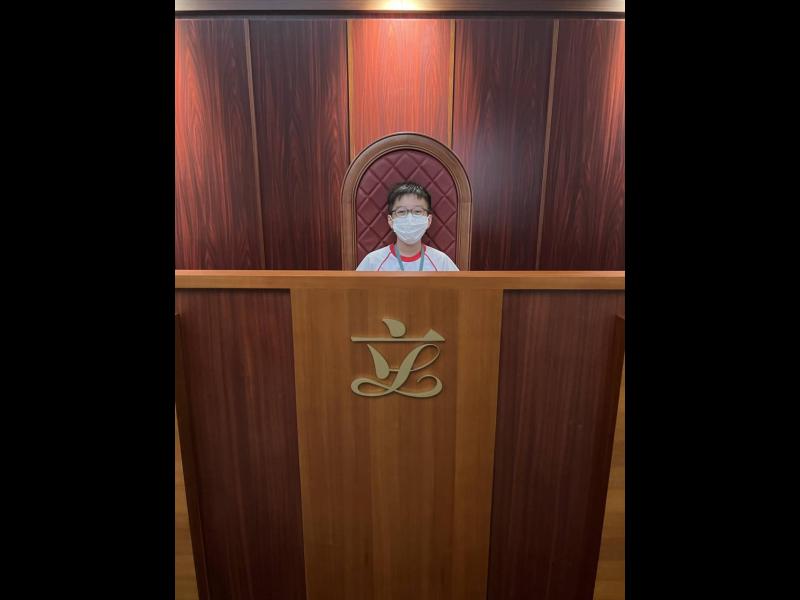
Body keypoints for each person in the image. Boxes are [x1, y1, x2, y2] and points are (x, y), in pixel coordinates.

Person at [355, 182, 459, 271]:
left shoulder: (442, 262)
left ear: (429, 220)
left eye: (417, 211)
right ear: (390, 220)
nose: (410, 218)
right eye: (401, 212)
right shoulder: (372, 262)